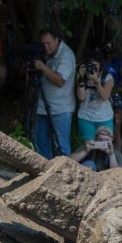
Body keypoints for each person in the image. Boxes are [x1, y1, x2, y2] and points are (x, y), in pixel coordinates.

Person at [32, 28, 76, 159]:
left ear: (57, 40)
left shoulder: (66, 55)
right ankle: (44, 170)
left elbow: (60, 81)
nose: (45, 47)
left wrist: (43, 67)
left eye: (48, 43)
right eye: (43, 43)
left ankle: (63, 175)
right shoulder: (46, 53)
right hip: (42, 106)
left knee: (61, 145)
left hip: (60, 109)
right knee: (40, 141)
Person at [75, 53, 114, 142]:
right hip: (85, 117)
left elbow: (105, 96)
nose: (92, 67)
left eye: (95, 65)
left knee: (105, 147)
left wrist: (96, 81)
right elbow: (81, 97)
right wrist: (81, 77)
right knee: (88, 147)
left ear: (101, 66)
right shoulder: (82, 76)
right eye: (90, 64)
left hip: (104, 117)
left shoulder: (107, 77)